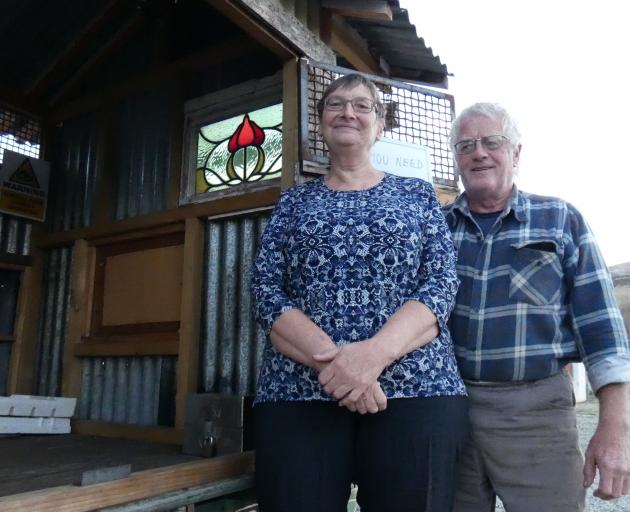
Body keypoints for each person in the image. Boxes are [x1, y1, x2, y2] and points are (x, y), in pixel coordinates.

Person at [250, 73, 468, 512]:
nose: (348, 111)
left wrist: (372, 358)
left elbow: (442, 284)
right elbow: (264, 290)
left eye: (362, 105)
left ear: (380, 126)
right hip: (299, 391)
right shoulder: (293, 202)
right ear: (321, 123)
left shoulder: (418, 195)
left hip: (416, 388)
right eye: (336, 104)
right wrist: (341, 366)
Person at [442, 102, 630, 511]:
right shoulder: (435, 228)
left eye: (492, 141)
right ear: (456, 158)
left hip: (536, 413)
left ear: (516, 153)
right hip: (449, 412)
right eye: (466, 145)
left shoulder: (559, 220)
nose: (479, 152)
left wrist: (615, 430)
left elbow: (603, 331)